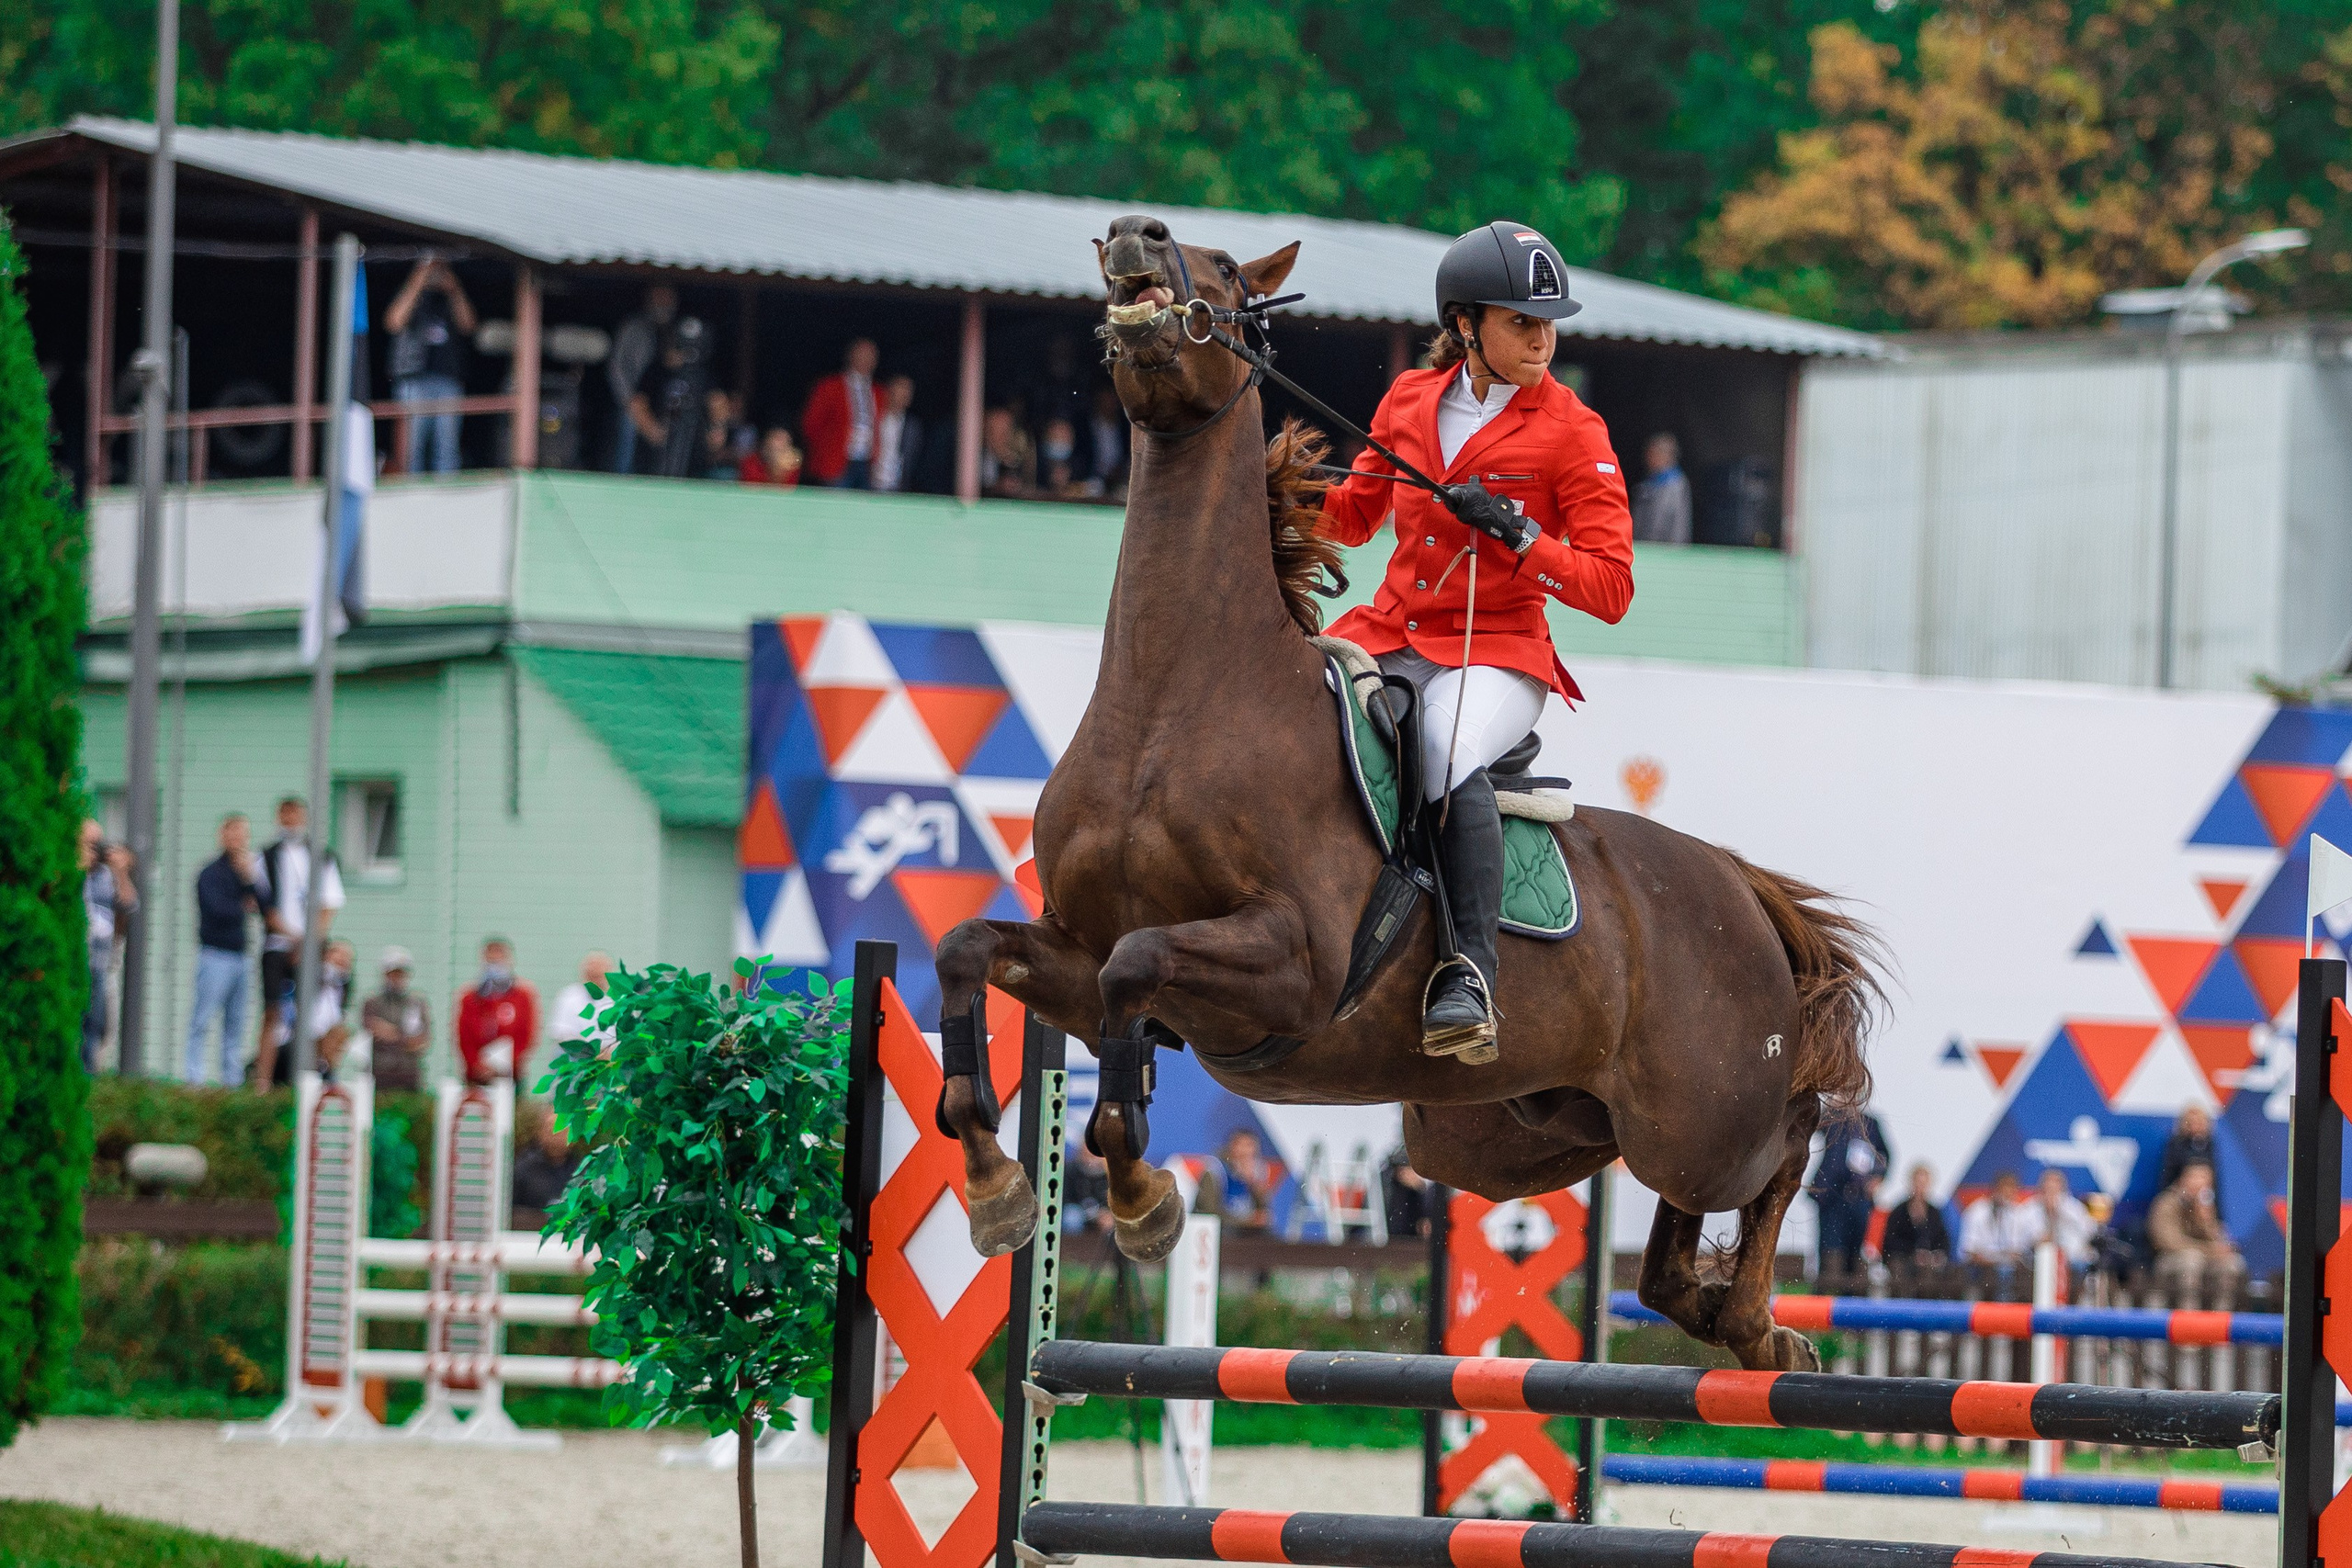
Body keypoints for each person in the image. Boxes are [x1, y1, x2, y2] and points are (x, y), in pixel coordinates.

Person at [1317, 220, 1634, 1058]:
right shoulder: (1410, 400)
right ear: (1466, 325)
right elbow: (1352, 519)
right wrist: (1268, 482)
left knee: (1441, 748)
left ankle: (1469, 971)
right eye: (1521, 322)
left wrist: (1526, 537)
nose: (1543, 339)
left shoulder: (1575, 430)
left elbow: (1611, 590)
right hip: (1384, 633)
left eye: (1548, 321)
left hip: (1496, 653)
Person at [254, 795, 344, 1089]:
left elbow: (329, 906)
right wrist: (292, 938)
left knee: (315, 1015)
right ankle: (263, 1080)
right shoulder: (266, 856)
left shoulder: (322, 856)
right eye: (285, 814)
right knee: (272, 1011)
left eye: (296, 814)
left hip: (310, 948)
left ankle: (311, 1076)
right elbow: (264, 906)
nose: (290, 820)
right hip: (277, 945)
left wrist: (307, 943)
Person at [186, 812, 264, 1086]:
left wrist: (249, 880)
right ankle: (194, 1077)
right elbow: (217, 910)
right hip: (215, 954)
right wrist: (243, 906)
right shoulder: (209, 873)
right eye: (233, 832)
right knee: (202, 1018)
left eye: (243, 834)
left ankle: (231, 1080)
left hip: (241, 956)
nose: (238, 839)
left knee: (236, 1023)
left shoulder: (245, 874)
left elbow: (264, 905)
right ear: (223, 835)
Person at [384, 254, 478, 474]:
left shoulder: (452, 297)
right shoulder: (411, 293)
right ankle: (409, 489)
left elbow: (469, 326)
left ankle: (445, 490)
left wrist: (454, 288)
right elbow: (394, 322)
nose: (435, 275)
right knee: (410, 444)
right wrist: (418, 281)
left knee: (446, 444)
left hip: (448, 379)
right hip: (412, 378)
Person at [79, 818, 138, 1071]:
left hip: (102, 961)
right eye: (91, 844)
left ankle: (91, 1075)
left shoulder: (106, 875)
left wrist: (120, 871)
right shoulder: (71, 871)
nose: (97, 850)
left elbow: (130, 904)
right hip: (77, 957)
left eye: (98, 844)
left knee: (99, 1026)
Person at [2147, 1162, 2245, 1306]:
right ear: (2184, 1179)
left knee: (2232, 1263)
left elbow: (2217, 1239)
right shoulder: (2167, 1203)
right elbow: (2169, 1242)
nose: (2200, 1184)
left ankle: (2221, 1320)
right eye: (2196, 1178)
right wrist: (2210, 1250)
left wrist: (2205, 1219)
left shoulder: (2205, 1205)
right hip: (2168, 1260)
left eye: (2206, 1181)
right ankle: (2189, 1318)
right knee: (2192, 1260)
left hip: (2202, 1257)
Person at [1808, 1108, 1890, 1277]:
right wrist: (1831, 1108)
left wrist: (1878, 1178)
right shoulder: (1832, 1119)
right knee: (1830, 1250)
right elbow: (1811, 1126)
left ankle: (1851, 1297)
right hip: (1833, 1198)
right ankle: (1826, 1295)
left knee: (1856, 1252)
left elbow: (1886, 1155)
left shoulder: (1870, 1123)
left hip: (1860, 1198)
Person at [628, 316, 711, 479]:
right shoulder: (656, 370)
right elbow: (637, 404)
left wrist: (714, 430)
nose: (684, 356)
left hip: (693, 450)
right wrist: (653, 430)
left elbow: (717, 403)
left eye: (690, 351)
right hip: (657, 448)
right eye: (681, 348)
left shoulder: (702, 375)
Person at [607, 284, 677, 474]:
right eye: (659, 297)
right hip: (633, 400)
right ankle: (621, 481)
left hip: (662, 402)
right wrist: (629, 400)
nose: (664, 303)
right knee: (628, 426)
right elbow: (616, 367)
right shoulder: (633, 327)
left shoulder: (674, 332)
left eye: (668, 298)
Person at [456, 937, 539, 1085]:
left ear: (509, 960)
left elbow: (527, 1035)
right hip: (476, 1075)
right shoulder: (470, 997)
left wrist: (504, 1065)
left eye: (499, 961)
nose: (495, 966)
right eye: (491, 961)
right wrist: (476, 1064)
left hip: (511, 1075)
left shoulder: (522, 996)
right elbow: (464, 1036)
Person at [802, 338, 881, 488]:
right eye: (863, 354)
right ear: (851, 355)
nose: (867, 359)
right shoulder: (830, 386)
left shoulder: (878, 391)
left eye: (871, 355)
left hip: (866, 462)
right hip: (837, 462)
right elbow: (811, 424)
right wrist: (826, 450)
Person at [361, 946, 432, 1092]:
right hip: (379, 1075)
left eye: (401, 974)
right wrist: (405, 1038)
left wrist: (394, 1034)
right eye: (393, 973)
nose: (397, 978)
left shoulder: (416, 1003)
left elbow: (422, 1041)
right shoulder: (372, 1002)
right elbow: (373, 1029)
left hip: (409, 1076)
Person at [2017, 1168, 2098, 1266]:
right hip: (2036, 1259)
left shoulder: (2074, 1208)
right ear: (2041, 1188)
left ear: (2062, 1189)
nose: (2051, 1194)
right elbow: (2019, 1239)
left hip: (2071, 1259)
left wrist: (2058, 1213)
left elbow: (2090, 1232)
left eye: (2054, 1189)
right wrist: (2036, 1240)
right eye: (2048, 1189)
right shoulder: (2029, 1208)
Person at [1956, 1170, 2039, 1267]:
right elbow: (1968, 1251)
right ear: (1996, 1189)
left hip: (2013, 1271)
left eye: (2013, 1188)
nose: (2009, 1192)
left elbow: (2024, 1247)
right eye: (2006, 1188)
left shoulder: (2018, 1213)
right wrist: (1996, 1259)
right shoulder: (1977, 1211)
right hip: (1982, 1271)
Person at [511, 1103, 582, 1214]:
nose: (556, 1134)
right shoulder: (524, 1168)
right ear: (540, 1132)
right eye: (551, 1129)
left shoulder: (582, 1170)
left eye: (562, 1130)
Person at [1878, 1163, 1951, 1267]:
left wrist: (1933, 1254)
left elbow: (1943, 1240)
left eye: (1923, 1184)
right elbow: (1890, 1242)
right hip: (1902, 1267)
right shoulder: (1899, 1212)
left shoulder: (1934, 1213)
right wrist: (1912, 1253)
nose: (1920, 1188)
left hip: (1929, 1269)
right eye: (1917, 1183)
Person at [1209, 1129, 1281, 1232]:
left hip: (1246, 1228)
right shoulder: (1215, 1169)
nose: (1244, 1151)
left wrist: (1252, 1183)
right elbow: (1210, 1212)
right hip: (1223, 1228)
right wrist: (1245, 1221)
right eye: (1240, 1145)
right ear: (1231, 1147)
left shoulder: (1258, 1171)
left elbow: (1263, 1210)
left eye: (1249, 1145)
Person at [1630, 432, 1691, 545]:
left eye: (1652, 453)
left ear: (1665, 455)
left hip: (1663, 551)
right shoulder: (1650, 481)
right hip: (1645, 548)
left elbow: (1668, 523)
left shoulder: (1674, 483)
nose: (1647, 458)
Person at [548, 951, 615, 1051]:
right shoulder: (569, 996)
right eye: (593, 976)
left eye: (600, 976)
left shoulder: (616, 1001)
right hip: (576, 1054)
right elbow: (561, 1033)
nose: (597, 981)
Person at [2158, 1105, 2219, 1200]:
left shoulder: (2210, 1144)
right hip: (2179, 1197)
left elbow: (2216, 1183)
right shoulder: (2176, 1144)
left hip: (2204, 1199)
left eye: (2198, 1122)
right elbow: (2168, 1176)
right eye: (2191, 1123)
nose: (2195, 1126)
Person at [875, 374, 922, 493]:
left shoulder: (912, 426)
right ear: (889, 390)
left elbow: (912, 460)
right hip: (870, 484)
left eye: (909, 389)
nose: (906, 392)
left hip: (896, 488)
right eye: (901, 387)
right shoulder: (876, 418)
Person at [1082, 383, 1129, 497]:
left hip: (1120, 484)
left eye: (1113, 397)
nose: (1110, 402)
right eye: (1106, 397)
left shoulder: (1125, 428)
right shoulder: (1085, 427)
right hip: (1091, 482)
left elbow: (1128, 456)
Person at [979, 406, 1035, 498]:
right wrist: (997, 487)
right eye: (997, 430)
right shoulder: (974, 459)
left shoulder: (1022, 459)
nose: (1003, 436)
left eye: (1006, 430)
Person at [700, 388, 751, 479]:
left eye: (720, 407)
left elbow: (744, 453)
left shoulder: (739, 429)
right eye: (712, 408)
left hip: (728, 472)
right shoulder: (700, 428)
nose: (716, 411)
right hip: (701, 471)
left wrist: (726, 453)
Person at [740, 426, 805, 486]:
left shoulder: (793, 466)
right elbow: (753, 490)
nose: (781, 445)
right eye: (778, 439)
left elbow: (786, 492)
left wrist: (781, 473)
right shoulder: (750, 462)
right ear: (765, 445)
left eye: (785, 442)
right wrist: (773, 470)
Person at [1038, 416, 1082, 497]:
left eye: (1064, 437)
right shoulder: (1036, 465)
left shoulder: (1078, 467)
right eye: (1056, 437)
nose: (1060, 443)